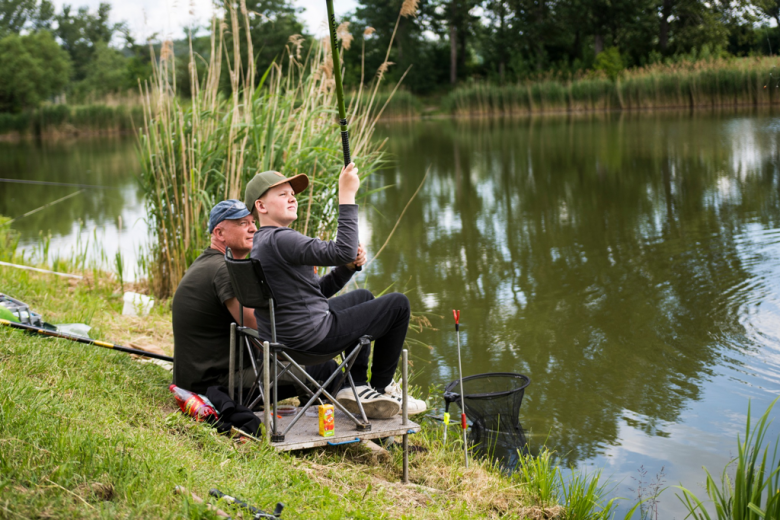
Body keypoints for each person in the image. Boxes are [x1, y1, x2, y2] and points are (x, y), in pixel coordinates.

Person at [244, 165, 427, 419]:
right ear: (261, 207)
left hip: (289, 337)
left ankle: (357, 387)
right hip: (311, 339)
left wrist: (347, 268)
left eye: (292, 194)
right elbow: (343, 249)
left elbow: (314, 293)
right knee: (398, 305)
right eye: (282, 194)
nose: (292, 197)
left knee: (362, 297)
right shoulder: (282, 240)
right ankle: (382, 388)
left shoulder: (264, 242)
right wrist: (346, 194)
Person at [171, 199, 339, 401]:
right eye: (242, 224)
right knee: (323, 367)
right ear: (219, 233)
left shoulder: (214, 262)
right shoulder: (225, 271)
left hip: (202, 378)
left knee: (306, 364)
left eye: (253, 222)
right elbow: (260, 329)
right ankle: (349, 420)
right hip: (214, 386)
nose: (252, 229)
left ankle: (314, 411)